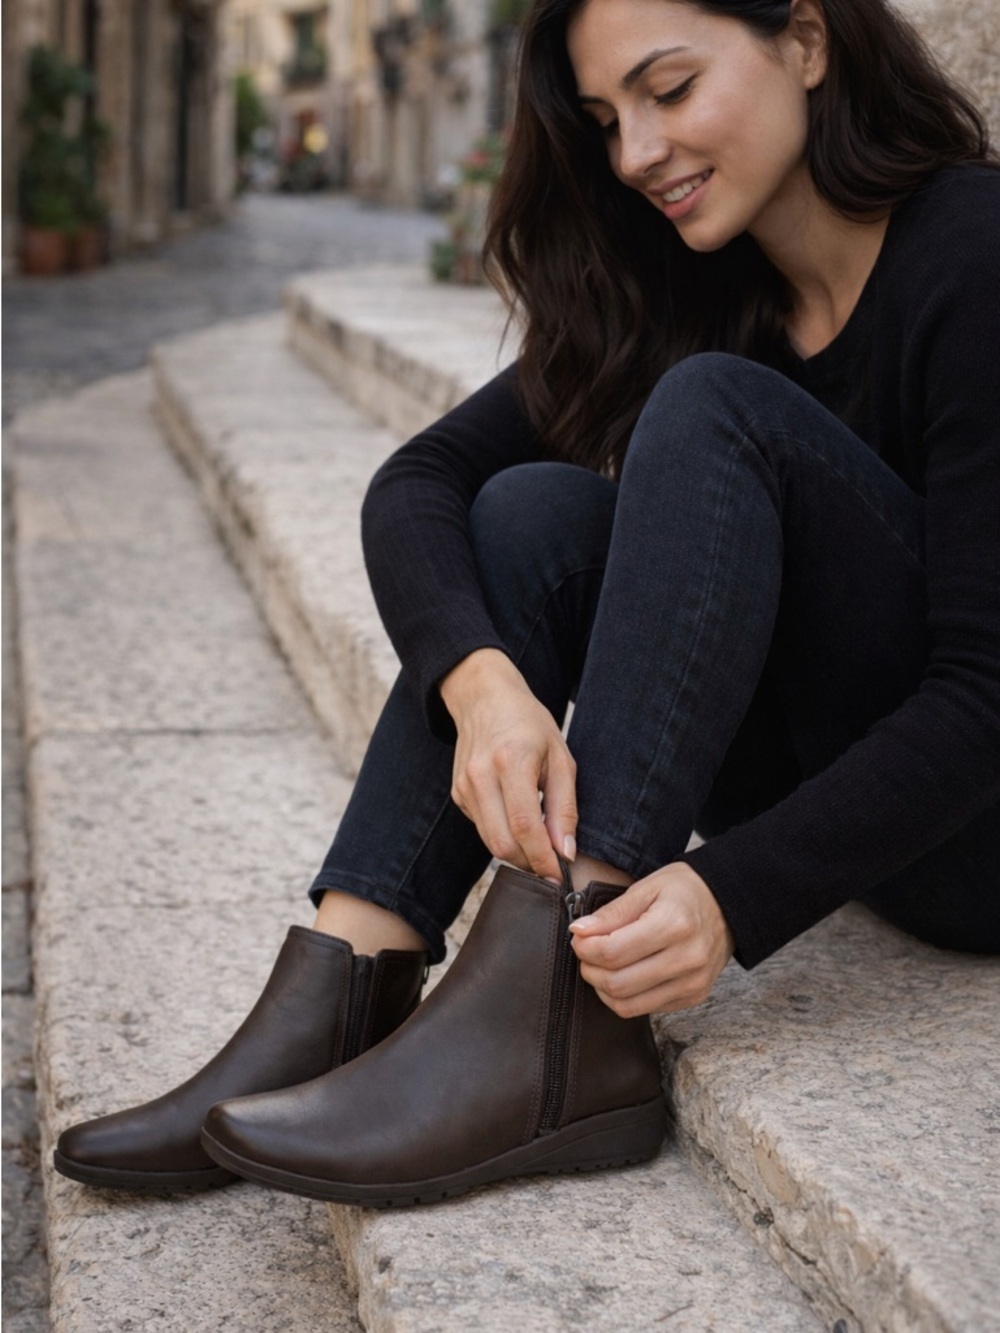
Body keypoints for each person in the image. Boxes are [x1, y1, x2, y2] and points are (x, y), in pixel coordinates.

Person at [56, 0, 1000, 1206]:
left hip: (972, 842)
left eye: (669, 90)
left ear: (805, 40)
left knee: (714, 407)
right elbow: (421, 482)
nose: (635, 153)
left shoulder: (971, 254)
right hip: (822, 757)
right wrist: (483, 681)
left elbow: (985, 695)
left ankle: (554, 1020)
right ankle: (347, 981)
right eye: (608, 118)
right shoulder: (704, 284)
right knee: (528, 519)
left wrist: (732, 889)